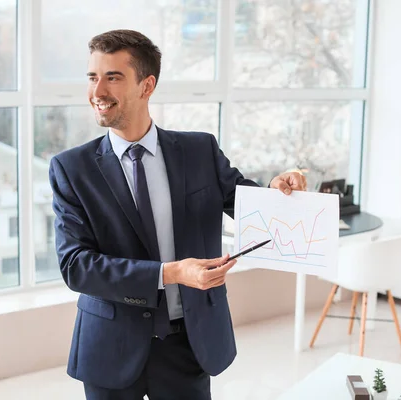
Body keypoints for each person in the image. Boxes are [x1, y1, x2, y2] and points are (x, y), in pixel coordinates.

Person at [49, 29, 307, 400]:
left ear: (147, 85)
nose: (97, 92)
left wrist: (282, 189)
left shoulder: (199, 150)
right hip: (111, 346)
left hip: (189, 340)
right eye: (93, 77)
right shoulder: (71, 169)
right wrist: (171, 273)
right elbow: (76, 266)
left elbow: (250, 206)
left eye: (113, 77)